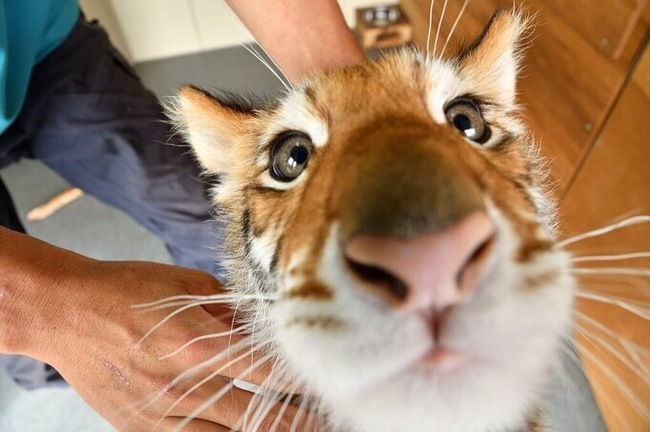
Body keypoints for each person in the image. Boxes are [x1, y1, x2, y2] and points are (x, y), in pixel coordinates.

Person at [0, 0, 363, 430]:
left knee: (201, 209)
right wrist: (47, 313)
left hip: (42, 47)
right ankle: (64, 376)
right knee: (33, 353)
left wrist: (355, 104)